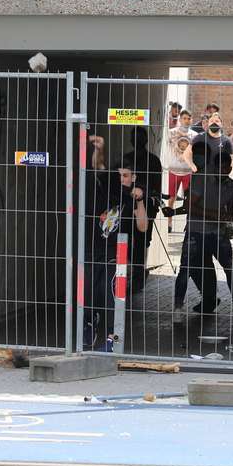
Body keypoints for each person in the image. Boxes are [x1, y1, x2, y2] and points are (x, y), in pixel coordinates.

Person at [170, 112, 233, 332]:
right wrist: (192, 167)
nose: (215, 121)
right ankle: (178, 307)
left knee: (230, 268)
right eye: (211, 119)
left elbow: (229, 214)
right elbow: (193, 207)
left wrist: (223, 221)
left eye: (219, 119)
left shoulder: (229, 183)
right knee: (186, 268)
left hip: (216, 233)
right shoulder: (198, 173)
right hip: (196, 230)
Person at [84, 136, 149, 350]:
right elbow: (98, 165)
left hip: (117, 255)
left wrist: (139, 200)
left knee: (111, 295)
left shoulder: (133, 198)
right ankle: (89, 326)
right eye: (119, 175)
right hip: (94, 250)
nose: (121, 179)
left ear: (134, 177)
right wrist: (100, 149)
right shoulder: (107, 190)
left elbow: (142, 226)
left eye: (126, 175)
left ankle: (115, 340)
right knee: (90, 291)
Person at [125, 127, 163, 290]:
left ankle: (138, 277)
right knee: (125, 241)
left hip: (145, 208)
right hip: (127, 207)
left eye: (139, 138)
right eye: (135, 138)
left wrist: (152, 204)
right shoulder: (126, 159)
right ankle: (132, 273)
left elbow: (156, 187)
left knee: (142, 242)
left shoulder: (153, 161)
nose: (137, 141)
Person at [166, 110, 197, 234]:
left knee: (189, 199)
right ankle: (169, 222)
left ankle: (188, 224)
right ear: (180, 119)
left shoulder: (194, 135)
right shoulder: (171, 133)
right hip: (174, 169)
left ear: (191, 120)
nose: (186, 120)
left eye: (189, 118)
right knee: (171, 198)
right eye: (184, 118)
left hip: (188, 171)